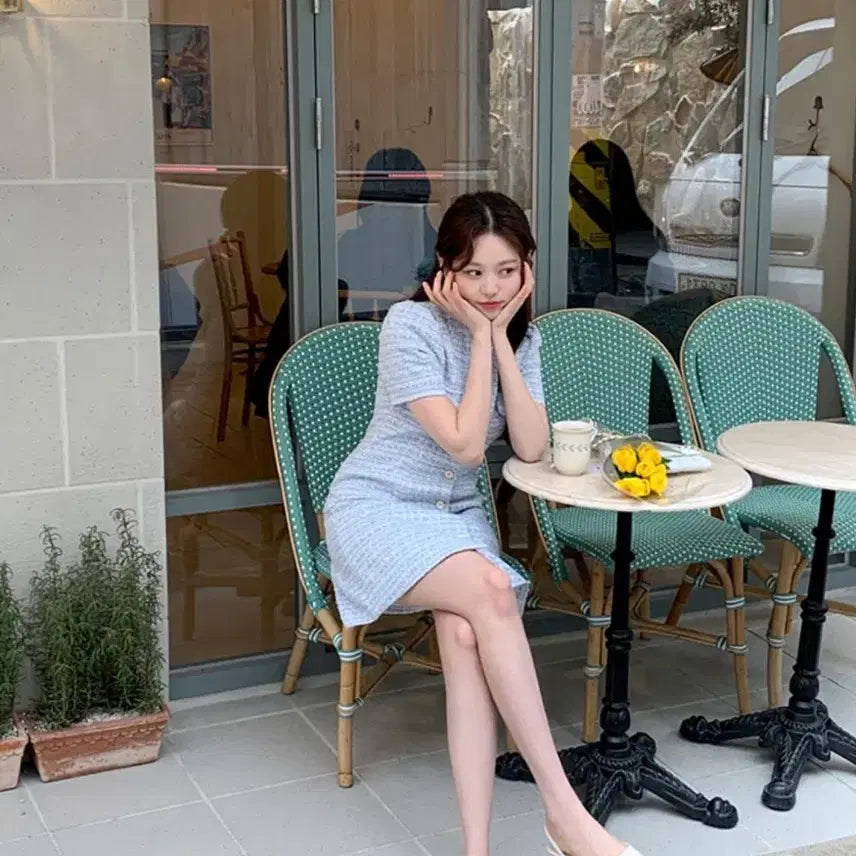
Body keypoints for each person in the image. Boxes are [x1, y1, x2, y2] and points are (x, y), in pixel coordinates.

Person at [324, 191, 641, 856]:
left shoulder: (524, 337)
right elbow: (468, 447)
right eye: (473, 272)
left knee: (466, 635)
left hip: (457, 517)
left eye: (505, 271)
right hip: (379, 507)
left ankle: (476, 850)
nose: (491, 288)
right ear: (445, 271)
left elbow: (530, 444)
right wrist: (476, 338)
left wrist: (498, 339)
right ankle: (565, 814)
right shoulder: (408, 327)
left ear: (527, 269)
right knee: (493, 592)